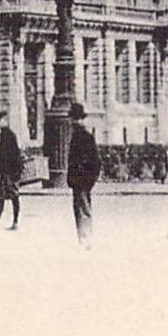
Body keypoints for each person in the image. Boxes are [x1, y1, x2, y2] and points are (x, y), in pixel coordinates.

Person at [67, 102, 101, 249]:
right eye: (73, 119)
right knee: (80, 208)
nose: (74, 122)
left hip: (82, 179)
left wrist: (89, 178)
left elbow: (94, 160)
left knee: (83, 209)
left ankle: (86, 239)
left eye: (76, 119)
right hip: (80, 180)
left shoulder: (83, 137)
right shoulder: (80, 136)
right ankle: (84, 238)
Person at [0, 110, 23, 230]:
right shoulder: (6, 134)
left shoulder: (7, 135)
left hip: (9, 172)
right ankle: (3, 221)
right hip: (9, 171)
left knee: (8, 197)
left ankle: (9, 222)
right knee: (6, 197)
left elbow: (7, 155)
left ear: (4, 121)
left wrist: (0, 170)